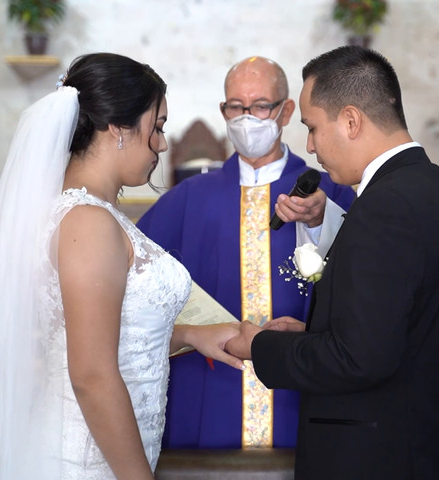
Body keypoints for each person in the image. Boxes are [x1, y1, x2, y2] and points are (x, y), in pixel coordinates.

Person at [0, 53, 243, 480]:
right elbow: (90, 373)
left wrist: (188, 335)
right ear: (118, 128)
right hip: (84, 461)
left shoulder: (84, 213)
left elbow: (93, 339)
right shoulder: (88, 222)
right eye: (157, 126)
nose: (163, 144)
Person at [226, 46, 439, 479]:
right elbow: (389, 333)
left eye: (313, 127)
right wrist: (314, 333)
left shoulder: (387, 207)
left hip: (380, 459)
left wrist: (259, 346)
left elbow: (359, 360)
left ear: (352, 121)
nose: (309, 145)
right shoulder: (424, 184)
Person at [137, 56, 356, 448]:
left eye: (259, 106)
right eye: (235, 107)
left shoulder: (329, 192)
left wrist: (325, 220)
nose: (246, 118)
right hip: (209, 383)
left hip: (299, 386)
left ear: (286, 110)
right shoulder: (189, 198)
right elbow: (127, 277)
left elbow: (364, 285)